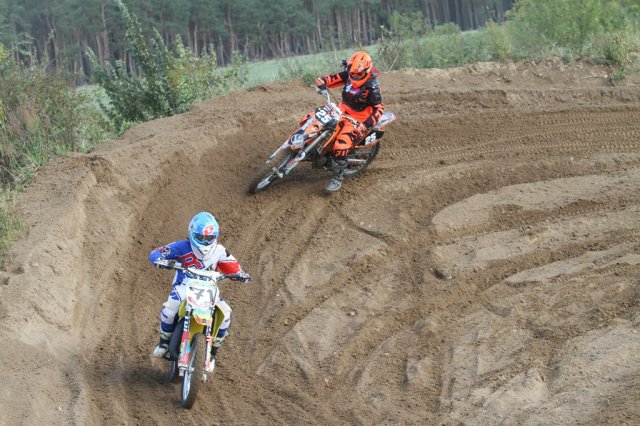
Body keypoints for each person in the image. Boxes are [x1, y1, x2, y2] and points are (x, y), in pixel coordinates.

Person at [148, 211, 251, 367]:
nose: (204, 242)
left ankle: (213, 352)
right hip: (184, 286)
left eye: (209, 238)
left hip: (209, 289)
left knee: (226, 314)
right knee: (170, 309)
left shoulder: (219, 251)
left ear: (215, 236)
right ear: (191, 233)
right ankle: (164, 342)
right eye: (200, 237)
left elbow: (233, 267)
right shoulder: (181, 246)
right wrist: (162, 261)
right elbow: (156, 253)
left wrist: (240, 274)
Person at [315, 50, 384, 192]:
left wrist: (365, 125)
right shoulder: (350, 73)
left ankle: (337, 177)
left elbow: (379, 109)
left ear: (366, 70)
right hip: (341, 110)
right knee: (315, 120)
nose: (354, 76)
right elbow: (334, 78)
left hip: (358, 119)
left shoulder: (372, 87)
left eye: (358, 74)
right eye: (353, 73)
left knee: (341, 145)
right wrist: (323, 81)